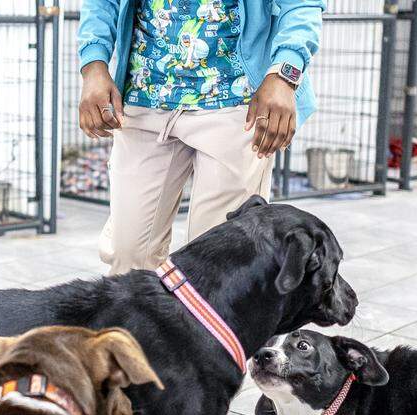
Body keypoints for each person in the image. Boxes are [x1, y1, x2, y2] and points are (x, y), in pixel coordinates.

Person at [78, 0, 324, 275]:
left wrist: (285, 75)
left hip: (236, 104)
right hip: (145, 95)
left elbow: (302, 4)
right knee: (128, 256)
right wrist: (93, 65)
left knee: (217, 264)